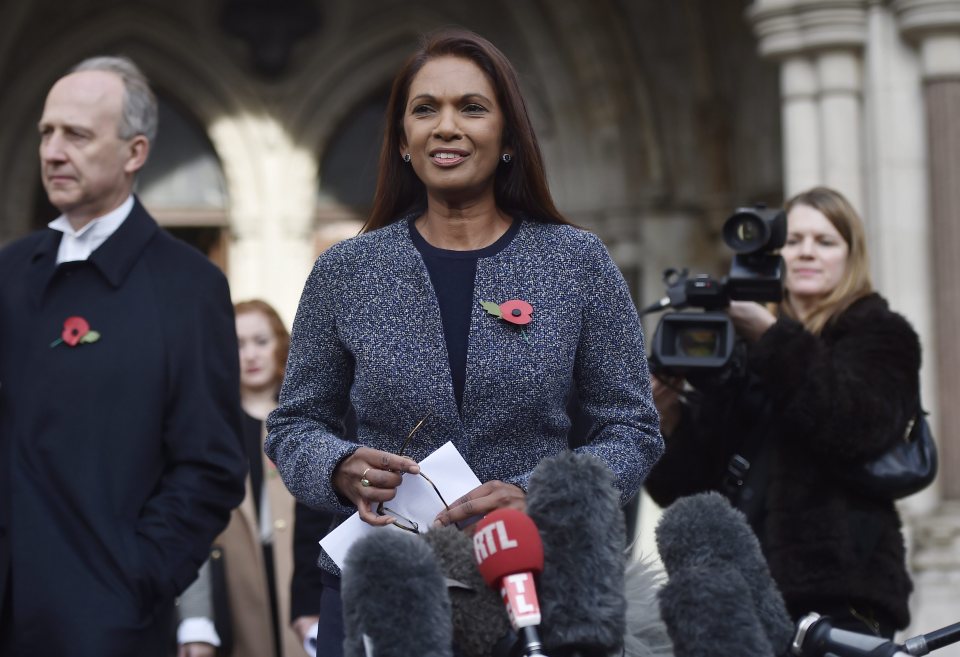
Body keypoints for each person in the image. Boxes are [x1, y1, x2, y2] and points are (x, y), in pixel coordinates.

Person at [265, 28, 663, 654]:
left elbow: (632, 430)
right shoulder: (347, 270)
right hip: (386, 589)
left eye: (471, 108)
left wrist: (540, 494)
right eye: (425, 110)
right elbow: (293, 425)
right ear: (402, 140)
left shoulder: (576, 263)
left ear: (508, 137)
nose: (445, 127)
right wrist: (339, 466)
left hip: (537, 585)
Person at [0, 56, 247, 657]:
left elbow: (211, 465)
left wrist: (134, 581)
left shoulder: (188, 286)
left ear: (135, 153)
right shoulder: (8, 271)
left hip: (105, 628)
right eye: (46, 133)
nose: (53, 152)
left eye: (77, 135)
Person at [645, 186, 919, 638]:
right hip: (739, 594)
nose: (807, 253)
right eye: (794, 241)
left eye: (825, 242)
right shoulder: (736, 343)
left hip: (841, 596)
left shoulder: (881, 335)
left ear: (852, 256)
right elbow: (690, 489)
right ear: (775, 254)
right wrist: (668, 421)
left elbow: (854, 427)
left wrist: (772, 336)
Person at [177, 300, 330, 657]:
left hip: (306, 584)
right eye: (238, 344)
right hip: (236, 588)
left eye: (260, 341)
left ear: (281, 342)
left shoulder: (309, 420)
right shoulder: (212, 427)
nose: (250, 355)